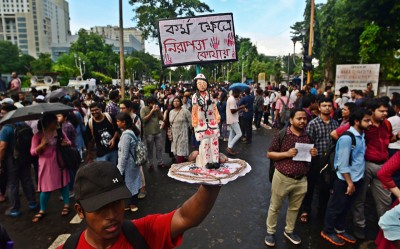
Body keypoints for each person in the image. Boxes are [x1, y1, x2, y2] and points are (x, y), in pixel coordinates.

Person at [58, 161, 221, 249]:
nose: (112, 215)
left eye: (117, 203)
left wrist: (211, 177)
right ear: (80, 211)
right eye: (100, 208)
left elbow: (185, 217)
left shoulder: (142, 233)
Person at [264, 108, 317, 247]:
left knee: (295, 208)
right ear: (291, 120)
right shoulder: (282, 134)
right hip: (282, 177)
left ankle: (289, 230)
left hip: (301, 179)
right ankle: (270, 232)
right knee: (275, 206)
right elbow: (270, 154)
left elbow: (308, 157)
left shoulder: (308, 136)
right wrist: (286, 154)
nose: (302, 121)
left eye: (304, 118)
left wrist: (313, 153)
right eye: (299, 118)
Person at [321, 108, 372, 246]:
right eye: (366, 120)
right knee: (336, 206)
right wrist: (349, 183)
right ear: (356, 121)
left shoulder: (361, 135)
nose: (370, 123)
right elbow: (342, 164)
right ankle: (328, 230)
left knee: (346, 206)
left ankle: (339, 228)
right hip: (344, 181)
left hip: (357, 179)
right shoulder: (347, 138)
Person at [352, 98, 400, 239]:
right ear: (372, 111)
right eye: (381, 110)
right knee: (360, 197)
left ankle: (385, 228)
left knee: (384, 200)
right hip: (365, 164)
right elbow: (340, 133)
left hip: (383, 165)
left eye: (386, 110)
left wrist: (396, 137)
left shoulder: (387, 124)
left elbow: (388, 139)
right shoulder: (364, 124)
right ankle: (359, 226)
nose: (385, 113)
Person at [300, 97, 339, 223]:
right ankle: (305, 210)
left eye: (329, 105)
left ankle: (322, 213)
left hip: (329, 161)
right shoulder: (313, 124)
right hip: (315, 160)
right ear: (319, 107)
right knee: (310, 187)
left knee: (325, 187)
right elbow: (307, 142)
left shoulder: (335, 124)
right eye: (324, 105)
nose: (327, 107)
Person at [30, 114, 71, 222]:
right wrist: (42, 144)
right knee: (45, 188)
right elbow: (33, 152)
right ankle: (42, 209)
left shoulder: (59, 132)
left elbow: (69, 142)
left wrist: (66, 143)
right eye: (54, 122)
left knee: (63, 184)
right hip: (45, 164)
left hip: (59, 161)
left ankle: (66, 204)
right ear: (47, 123)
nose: (56, 123)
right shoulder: (38, 136)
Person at [0, 104, 37, 217]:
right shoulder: (24, 125)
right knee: (27, 180)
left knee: (13, 184)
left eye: (2, 112)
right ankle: (32, 203)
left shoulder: (6, 128)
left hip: (12, 160)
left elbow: (2, 147)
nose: (1, 114)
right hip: (25, 158)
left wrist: (0, 161)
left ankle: (15, 209)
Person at [191, 74, 221, 169]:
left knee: (214, 142)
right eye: (200, 83)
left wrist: (217, 116)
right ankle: (207, 161)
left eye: (204, 83)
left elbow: (215, 107)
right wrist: (194, 121)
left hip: (212, 122)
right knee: (205, 143)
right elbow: (194, 110)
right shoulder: (195, 96)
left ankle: (215, 160)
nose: (202, 85)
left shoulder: (210, 95)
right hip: (201, 123)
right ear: (196, 84)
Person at [116, 112, 141, 212]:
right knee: (133, 182)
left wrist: (120, 170)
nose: (117, 123)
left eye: (118, 121)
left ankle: (133, 204)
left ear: (124, 122)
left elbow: (124, 155)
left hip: (128, 165)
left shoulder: (126, 135)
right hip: (134, 162)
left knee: (130, 183)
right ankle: (131, 203)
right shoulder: (132, 131)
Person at [140, 96, 166, 171]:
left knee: (159, 148)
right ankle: (150, 164)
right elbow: (143, 120)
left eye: (154, 103)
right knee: (150, 149)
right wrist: (151, 112)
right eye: (151, 103)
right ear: (148, 103)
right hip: (149, 132)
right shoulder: (143, 109)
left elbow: (162, 118)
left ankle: (160, 162)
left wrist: (158, 111)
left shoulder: (156, 109)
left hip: (158, 131)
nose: (153, 104)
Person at [169, 97, 191, 164]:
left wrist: (191, 129)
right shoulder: (171, 112)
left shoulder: (185, 111)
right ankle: (181, 162)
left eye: (177, 101)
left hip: (183, 133)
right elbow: (170, 123)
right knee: (176, 149)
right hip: (174, 133)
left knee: (181, 149)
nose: (176, 102)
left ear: (180, 102)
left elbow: (191, 121)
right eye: (174, 101)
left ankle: (180, 164)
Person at [226, 88, 246, 156]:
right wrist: (240, 107)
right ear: (236, 93)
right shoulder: (232, 99)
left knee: (232, 133)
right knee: (239, 134)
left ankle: (229, 147)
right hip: (233, 120)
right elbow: (232, 111)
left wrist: (239, 108)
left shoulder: (232, 99)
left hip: (231, 119)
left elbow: (233, 110)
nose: (240, 95)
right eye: (239, 93)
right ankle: (230, 147)